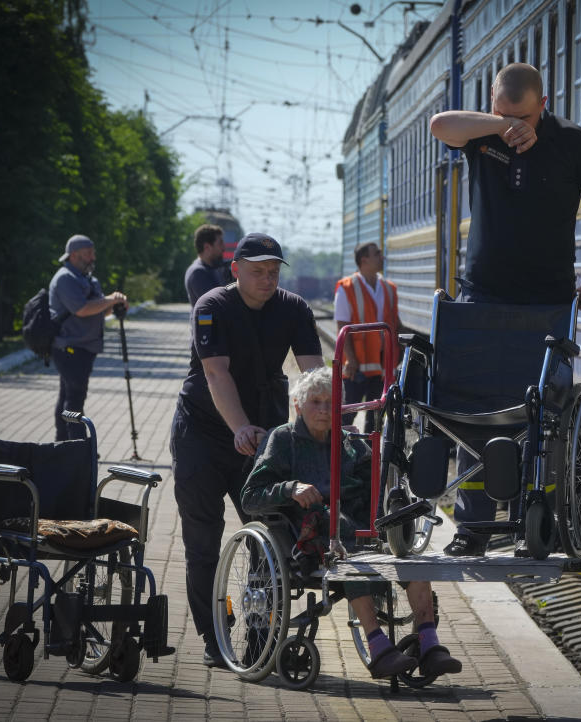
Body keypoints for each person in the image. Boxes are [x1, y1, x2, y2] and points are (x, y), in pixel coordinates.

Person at [429, 62, 581, 557]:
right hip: (482, 294)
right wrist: (498, 124)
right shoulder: (483, 135)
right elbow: (439, 125)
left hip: (548, 301)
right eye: (504, 113)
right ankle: (472, 529)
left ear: (544, 104)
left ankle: (538, 523)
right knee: (473, 409)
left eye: (523, 117)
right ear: (492, 103)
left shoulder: (572, 142)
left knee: (541, 418)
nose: (515, 127)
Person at [243, 367, 462, 679]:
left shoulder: (351, 444)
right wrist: (290, 488)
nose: (322, 409)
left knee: (408, 551)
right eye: (315, 402)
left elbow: (376, 495)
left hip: (358, 531)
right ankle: (379, 647)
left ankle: (429, 644)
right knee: (346, 547)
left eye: (329, 403)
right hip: (308, 533)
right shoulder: (282, 440)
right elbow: (250, 497)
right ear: (298, 406)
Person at [169, 232, 324, 668]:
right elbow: (216, 375)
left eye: (274, 272)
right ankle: (215, 633)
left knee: (269, 536)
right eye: (258, 271)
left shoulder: (294, 309)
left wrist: (323, 424)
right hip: (202, 432)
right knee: (203, 540)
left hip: (262, 435)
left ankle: (261, 638)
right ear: (235, 270)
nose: (267, 279)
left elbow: (315, 374)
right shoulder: (212, 307)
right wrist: (239, 428)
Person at [48, 235, 128, 441]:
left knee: (67, 395)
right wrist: (110, 299)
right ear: (74, 255)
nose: (93, 257)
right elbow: (82, 309)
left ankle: (62, 443)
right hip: (69, 348)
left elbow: (99, 312)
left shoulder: (88, 279)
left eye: (93, 252)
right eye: (89, 253)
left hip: (84, 348)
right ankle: (77, 446)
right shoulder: (65, 278)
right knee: (75, 398)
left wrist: (114, 305)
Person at [333, 242, 402, 433]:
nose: (382, 256)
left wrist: (400, 352)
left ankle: (370, 459)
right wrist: (351, 359)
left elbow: (395, 323)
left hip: (382, 367)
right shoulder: (347, 287)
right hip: (357, 367)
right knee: (347, 415)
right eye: (377, 253)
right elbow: (342, 326)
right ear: (364, 260)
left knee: (376, 419)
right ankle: (342, 457)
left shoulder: (389, 288)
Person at [184, 223, 231, 307]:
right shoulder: (198, 273)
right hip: (206, 320)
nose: (224, 248)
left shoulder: (212, 268)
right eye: (220, 243)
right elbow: (212, 306)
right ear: (207, 247)